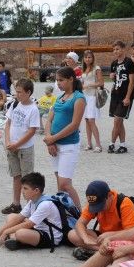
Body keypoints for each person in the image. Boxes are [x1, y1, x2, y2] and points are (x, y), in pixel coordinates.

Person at [41, 67, 85, 208]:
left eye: (61, 80)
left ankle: (80, 215)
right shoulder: (59, 98)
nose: (58, 83)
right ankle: (64, 212)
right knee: (59, 183)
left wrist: (52, 139)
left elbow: (74, 124)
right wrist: (49, 139)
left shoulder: (79, 98)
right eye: (57, 80)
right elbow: (49, 120)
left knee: (65, 183)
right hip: (54, 145)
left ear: (71, 79)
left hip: (68, 146)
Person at [0, 172, 65, 250]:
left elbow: (28, 224)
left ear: (36, 190)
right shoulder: (32, 201)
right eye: (22, 188)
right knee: (11, 216)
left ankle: (15, 238)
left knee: (20, 233)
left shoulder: (45, 204)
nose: (22, 191)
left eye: (25, 188)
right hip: (36, 229)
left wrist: (6, 231)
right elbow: (19, 218)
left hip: (49, 236)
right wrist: (0, 231)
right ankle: (13, 240)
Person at [66, 180, 134, 254]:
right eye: (95, 206)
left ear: (109, 195)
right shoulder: (94, 201)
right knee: (72, 234)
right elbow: (80, 224)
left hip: (123, 238)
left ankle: (103, 252)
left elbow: (131, 232)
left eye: (101, 205)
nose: (99, 209)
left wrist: (110, 235)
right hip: (103, 237)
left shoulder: (125, 204)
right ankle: (105, 251)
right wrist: (85, 238)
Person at [1, 79, 40, 214]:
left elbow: (32, 131)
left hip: (24, 148)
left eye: (20, 92)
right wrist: (7, 142)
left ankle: (30, 207)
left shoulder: (33, 109)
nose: (17, 95)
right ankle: (16, 204)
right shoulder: (14, 104)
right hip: (11, 146)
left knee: (27, 178)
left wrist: (17, 144)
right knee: (16, 176)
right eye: (16, 92)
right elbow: (8, 124)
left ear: (28, 92)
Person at [108, 40, 134, 154]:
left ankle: (112, 143)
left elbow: (132, 81)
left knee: (117, 120)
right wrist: (111, 76)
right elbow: (115, 78)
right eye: (114, 49)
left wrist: (128, 97)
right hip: (115, 95)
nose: (116, 51)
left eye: (118, 49)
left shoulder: (129, 62)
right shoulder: (114, 64)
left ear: (123, 49)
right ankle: (123, 145)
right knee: (120, 122)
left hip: (125, 96)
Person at [80, 50, 104, 152]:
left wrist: (89, 85)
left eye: (89, 57)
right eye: (86, 57)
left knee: (91, 120)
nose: (87, 59)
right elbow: (82, 82)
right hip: (84, 97)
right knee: (86, 120)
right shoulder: (84, 69)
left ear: (93, 58)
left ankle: (98, 145)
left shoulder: (96, 68)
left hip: (92, 96)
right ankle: (89, 143)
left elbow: (101, 82)